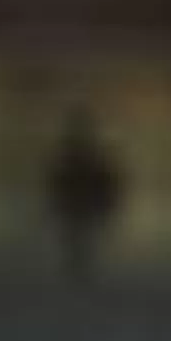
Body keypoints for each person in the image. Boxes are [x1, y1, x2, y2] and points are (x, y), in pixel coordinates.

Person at [45, 100, 125, 275]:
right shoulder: (72, 161)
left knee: (81, 235)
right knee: (79, 234)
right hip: (79, 211)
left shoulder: (82, 161)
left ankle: (79, 263)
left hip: (83, 211)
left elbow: (107, 186)